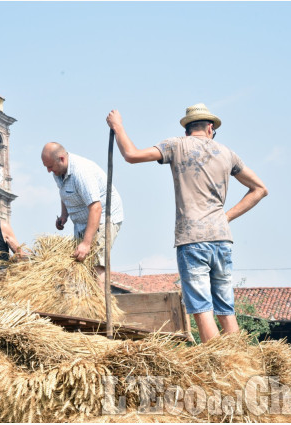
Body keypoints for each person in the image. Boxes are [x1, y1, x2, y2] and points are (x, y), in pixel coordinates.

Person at [106, 103, 268, 343]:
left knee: (202, 308)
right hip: (222, 238)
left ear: (187, 129)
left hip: (193, 239)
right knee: (226, 309)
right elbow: (260, 189)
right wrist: (227, 216)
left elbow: (131, 155)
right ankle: (240, 362)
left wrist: (117, 126)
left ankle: (218, 362)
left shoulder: (176, 145)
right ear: (210, 128)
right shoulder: (227, 153)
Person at [41, 142, 124, 287]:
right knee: (81, 264)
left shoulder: (81, 173)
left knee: (97, 263)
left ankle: (100, 305)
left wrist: (86, 243)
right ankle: (86, 304)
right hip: (82, 221)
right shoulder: (58, 171)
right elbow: (64, 191)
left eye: (50, 166)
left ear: (61, 159)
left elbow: (96, 208)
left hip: (103, 218)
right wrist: (64, 215)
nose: (48, 171)